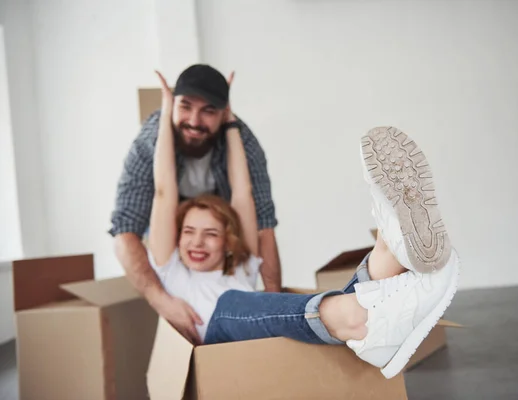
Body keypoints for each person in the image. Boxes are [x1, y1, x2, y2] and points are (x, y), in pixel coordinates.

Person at [148, 71, 460, 378]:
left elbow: (243, 191)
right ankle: (361, 313)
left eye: (211, 233)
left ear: (229, 241)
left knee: (296, 306)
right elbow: (163, 191)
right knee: (229, 305)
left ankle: (388, 256)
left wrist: (229, 120)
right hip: (219, 351)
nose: (197, 242)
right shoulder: (173, 272)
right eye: (188, 232)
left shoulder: (242, 266)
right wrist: (167, 108)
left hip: (269, 342)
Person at [109, 64, 282, 345]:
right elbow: (158, 197)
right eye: (185, 107)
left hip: (228, 249)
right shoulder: (173, 270)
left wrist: (275, 309)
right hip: (177, 256)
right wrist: (161, 300)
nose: (193, 120)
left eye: (208, 111)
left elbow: (247, 201)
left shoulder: (243, 267)